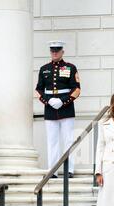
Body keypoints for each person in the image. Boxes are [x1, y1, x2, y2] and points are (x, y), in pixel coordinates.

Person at [35, 40, 81, 178]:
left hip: (66, 108)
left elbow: (76, 89)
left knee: (68, 140)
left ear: (62, 52)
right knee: (52, 141)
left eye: (57, 50)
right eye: (52, 51)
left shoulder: (70, 67)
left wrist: (63, 101)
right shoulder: (44, 69)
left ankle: (69, 169)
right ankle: (53, 170)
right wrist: (48, 101)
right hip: (50, 109)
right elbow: (38, 90)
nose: (54, 53)